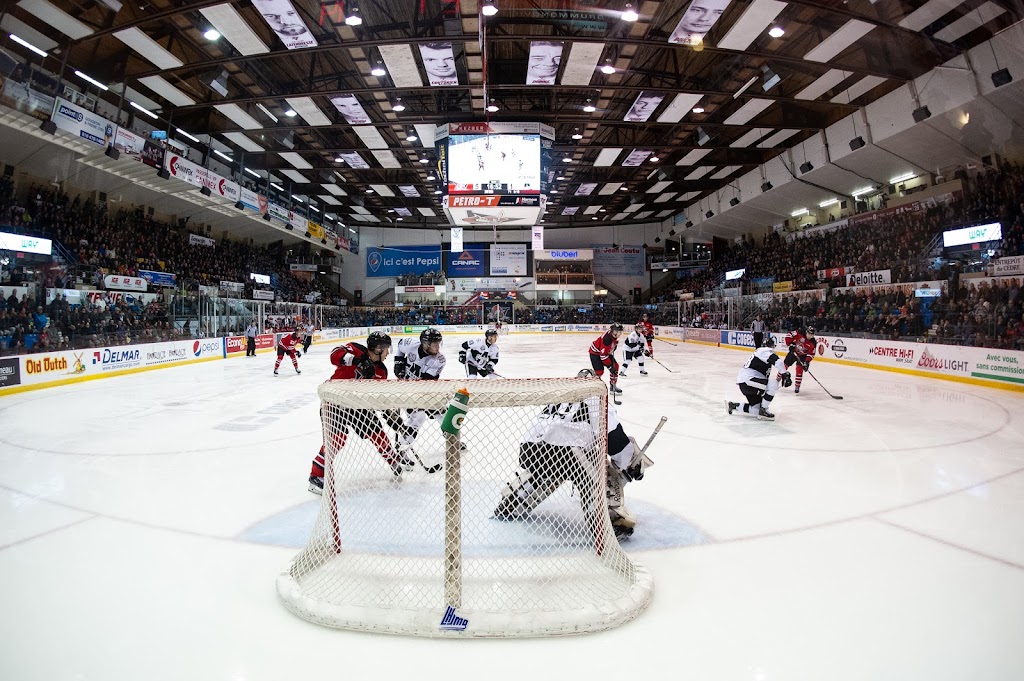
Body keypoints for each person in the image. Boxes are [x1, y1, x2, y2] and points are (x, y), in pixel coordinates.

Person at [494, 370, 653, 539]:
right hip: (570, 454)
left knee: (546, 470)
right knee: (600, 471)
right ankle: (610, 520)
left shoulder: (560, 398)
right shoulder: (596, 397)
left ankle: (514, 499)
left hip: (530, 451)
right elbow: (613, 438)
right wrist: (627, 466)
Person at [308, 332, 412, 492]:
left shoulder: (381, 371)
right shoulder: (356, 350)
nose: (387, 354)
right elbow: (334, 354)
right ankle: (316, 475)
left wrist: (393, 420)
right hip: (335, 400)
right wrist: (357, 361)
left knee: (378, 434)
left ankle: (393, 461)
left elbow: (379, 399)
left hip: (358, 406)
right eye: (386, 350)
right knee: (337, 439)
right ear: (379, 349)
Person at [394, 328, 448, 453]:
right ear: (425, 344)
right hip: (406, 390)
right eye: (435, 343)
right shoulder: (410, 344)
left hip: (425, 391)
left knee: (443, 414)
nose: (437, 346)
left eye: (438, 343)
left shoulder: (439, 360)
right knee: (418, 417)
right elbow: (399, 347)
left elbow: (426, 383)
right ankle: (401, 449)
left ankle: (451, 440)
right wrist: (398, 363)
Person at [727, 335, 790, 421]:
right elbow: (778, 362)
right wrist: (785, 374)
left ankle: (734, 406)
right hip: (749, 380)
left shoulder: (762, 354)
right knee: (773, 384)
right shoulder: (763, 351)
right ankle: (763, 410)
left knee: (755, 409)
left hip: (746, 383)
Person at [588, 322, 623, 395]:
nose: (619, 333)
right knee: (599, 372)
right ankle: (594, 387)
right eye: (618, 331)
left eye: (620, 331)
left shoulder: (613, 335)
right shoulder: (607, 339)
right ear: (613, 331)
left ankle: (613, 386)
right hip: (595, 353)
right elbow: (603, 356)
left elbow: (607, 351)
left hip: (604, 352)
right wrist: (610, 367)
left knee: (615, 366)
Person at [782, 326, 817, 394]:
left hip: (803, 356)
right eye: (809, 334)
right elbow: (789, 335)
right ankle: (777, 380)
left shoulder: (813, 342)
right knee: (784, 366)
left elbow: (811, 354)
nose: (810, 336)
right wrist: (790, 343)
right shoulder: (799, 333)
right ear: (806, 332)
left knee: (799, 369)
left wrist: (806, 362)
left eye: (812, 335)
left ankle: (797, 386)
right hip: (794, 352)